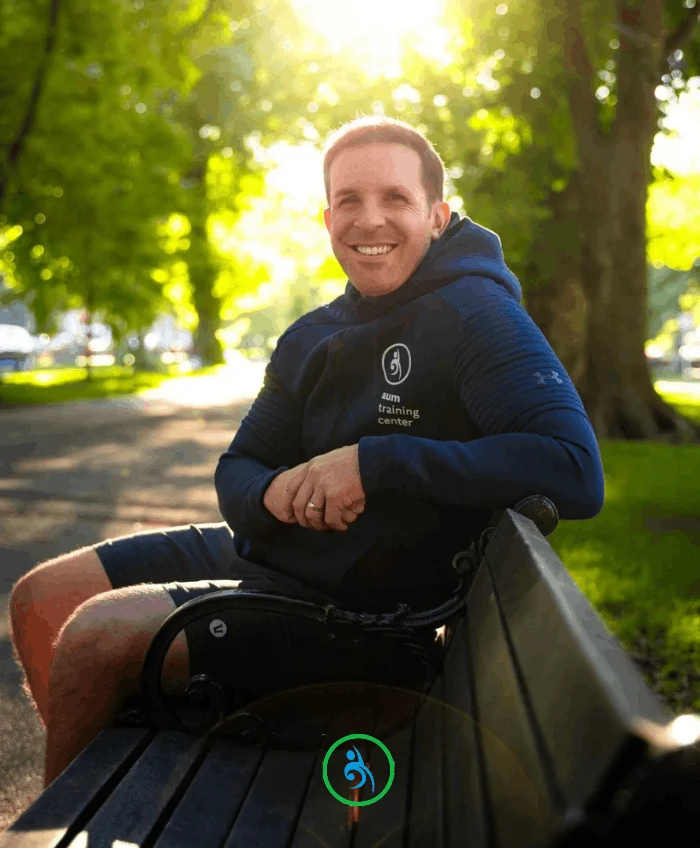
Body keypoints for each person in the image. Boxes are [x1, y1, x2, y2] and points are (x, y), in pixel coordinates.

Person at [9, 115, 605, 787]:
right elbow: (237, 470)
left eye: (395, 198)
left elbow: (574, 469)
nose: (369, 219)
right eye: (349, 200)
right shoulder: (312, 335)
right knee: (41, 597)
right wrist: (273, 494)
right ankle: (88, 797)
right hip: (273, 561)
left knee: (98, 636)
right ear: (327, 220)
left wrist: (373, 463)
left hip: (363, 621)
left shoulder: (477, 315)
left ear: (437, 217)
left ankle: (62, 819)